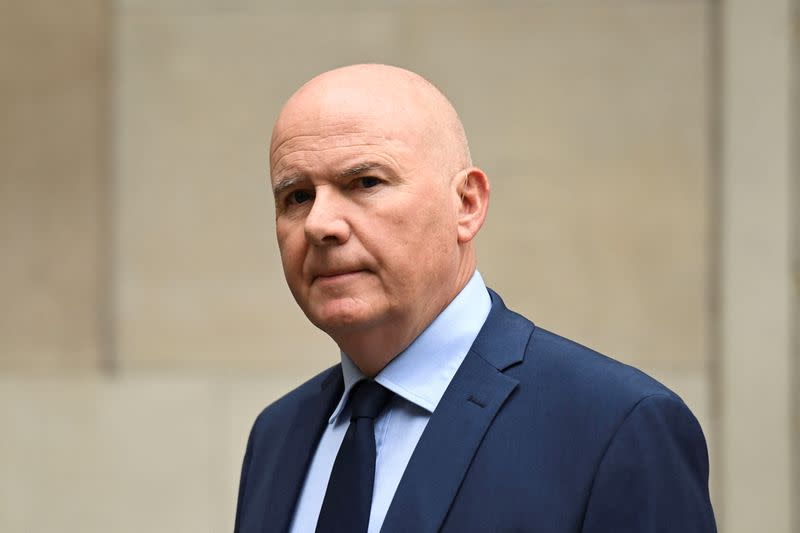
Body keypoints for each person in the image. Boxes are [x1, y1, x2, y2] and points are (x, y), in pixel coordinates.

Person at [234, 64, 717, 533]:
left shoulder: (618, 428)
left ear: (466, 204)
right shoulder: (277, 437)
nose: (320, 224)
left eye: (364, 183)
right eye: (297, 196)